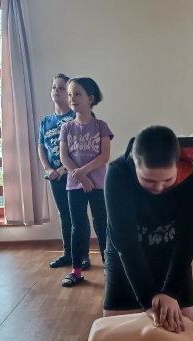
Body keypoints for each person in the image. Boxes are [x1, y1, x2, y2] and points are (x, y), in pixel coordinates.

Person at [103, 126, 193, 334]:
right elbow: (126, 243)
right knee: (114, 324)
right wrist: (148, 301)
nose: (158, 187)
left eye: (167, 180)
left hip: (169, 247)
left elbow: (189, 238)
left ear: (177, 164)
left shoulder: (192, 173)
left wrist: (170, 292)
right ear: (134, 162)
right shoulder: (117, 172)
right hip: (127, 250)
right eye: (148, 180)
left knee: (185, 318)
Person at [59, 77, 113, 287]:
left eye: (77, 94)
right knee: (78, 227)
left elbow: (104, 156)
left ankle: (110, 268)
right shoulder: (66, 128)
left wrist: (84, 172)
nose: (72, 98)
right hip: (74, 186)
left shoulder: (101, 126)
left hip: (98, 185)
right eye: (70, 94)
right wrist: (80, 177)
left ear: (90, 98)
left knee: (101, 225)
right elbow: (64, 157)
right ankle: (76, 271)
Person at [37, 73, 91, 271]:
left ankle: (83, 256)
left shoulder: (77, 117)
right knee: (64, 216)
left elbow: (84, 147)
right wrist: (49, 169)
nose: (56, 91)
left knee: (79, 216)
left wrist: (63, 168)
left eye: (61, 88)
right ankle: (68, 254)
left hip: (74, 175)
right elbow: (41, 147)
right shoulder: (45, 121)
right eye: (54, 87)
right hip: (55, 177)